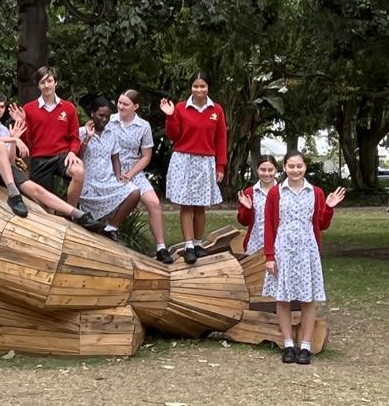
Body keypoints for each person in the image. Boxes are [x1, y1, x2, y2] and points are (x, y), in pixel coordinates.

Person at [0, 90, 105, 232]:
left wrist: (13, 139)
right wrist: (14, 140)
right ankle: (14, 194)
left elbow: (10, 162)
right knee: (0, 145)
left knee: (37, 189)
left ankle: (79, 215)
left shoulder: (4, 130)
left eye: (1, 107)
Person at [262, 151, 345, 365]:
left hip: (307, 251)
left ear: (305, 167)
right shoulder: (276, 193)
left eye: (299, 166)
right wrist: (269, 256)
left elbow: (321, 224)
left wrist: (329, 207)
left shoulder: (315, 192)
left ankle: (306, 346)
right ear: (284, 168)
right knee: (283, 298)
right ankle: (288, 344)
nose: (295, 170)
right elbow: (269, 225)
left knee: (308, 299)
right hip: (283, 250)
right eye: (291, 166)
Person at [159, 72, 227, 265]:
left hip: (206, 161)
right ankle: (188, 245)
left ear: (208, 88)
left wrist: (220, 165)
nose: (199, 90)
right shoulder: (181, 108)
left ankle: (198, 244)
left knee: (200, 205)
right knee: (187, 204)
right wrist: (170, 116)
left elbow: (221, 139)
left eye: (202, 86)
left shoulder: (216, 110)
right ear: (191, 88)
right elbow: (173, 135)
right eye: (195, 86)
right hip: (184, 160)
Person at [108, 90, 172, 262]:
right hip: (111, 169)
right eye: (119, 103)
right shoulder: (110, 121)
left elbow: (146, 157)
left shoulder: (143, 126)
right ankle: (109, 232)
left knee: (154, 203)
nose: (121, 107)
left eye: (125, 104)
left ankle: (161, 248)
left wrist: (129, 174)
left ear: (135, 107)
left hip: (134, 170)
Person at [77, 97, 141, 242]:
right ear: (92, 113)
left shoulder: (111, 134)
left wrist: (118, 175)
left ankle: (111, 227)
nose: (104, 119)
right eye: (101, 115)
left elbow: (115, 158)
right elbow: (77, 156)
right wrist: (87, 138)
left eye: (107, 116)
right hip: (88, 183)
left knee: (134, 192)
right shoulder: (81, 132)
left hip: (107, 180)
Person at [22, 66, 85, 207]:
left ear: (55, 82)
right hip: (39, 159)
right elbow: (26, 142)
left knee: (79, 172)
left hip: (62, 156)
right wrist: (20, 124)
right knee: (46, 207)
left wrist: (72, 152)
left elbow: (75, 137)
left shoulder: (68, 108)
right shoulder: (28, 109)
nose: (47, 85)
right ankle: (53, 213)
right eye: (42, 82)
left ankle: (71, 212)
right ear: (38, 85)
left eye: (49, 81)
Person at [237, 155, 279, 255]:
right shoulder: (249, 192)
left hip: (278, 246)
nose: (266, 173)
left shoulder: (283, 192)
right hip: (254, 245)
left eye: (270, 170)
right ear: (257, 170)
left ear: (276, 170)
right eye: (263, 170)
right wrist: (248, 209)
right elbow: (244, 222)